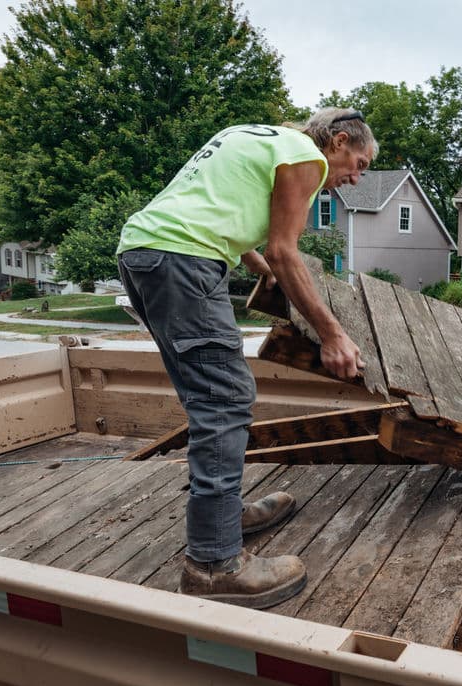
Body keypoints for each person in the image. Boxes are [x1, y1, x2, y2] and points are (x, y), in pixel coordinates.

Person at [116, 109, 377, 609]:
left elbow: (219, 208)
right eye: (359, 164)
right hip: (185, 261)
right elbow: (285, 250)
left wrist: (254, 263)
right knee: (224, 402)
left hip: (144, 255)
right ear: (339, 141)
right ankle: (213, 565)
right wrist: (333, 335)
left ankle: (224, 517)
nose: (355, 177)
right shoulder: (306, 158)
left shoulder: (254, 137)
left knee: (208, 398)